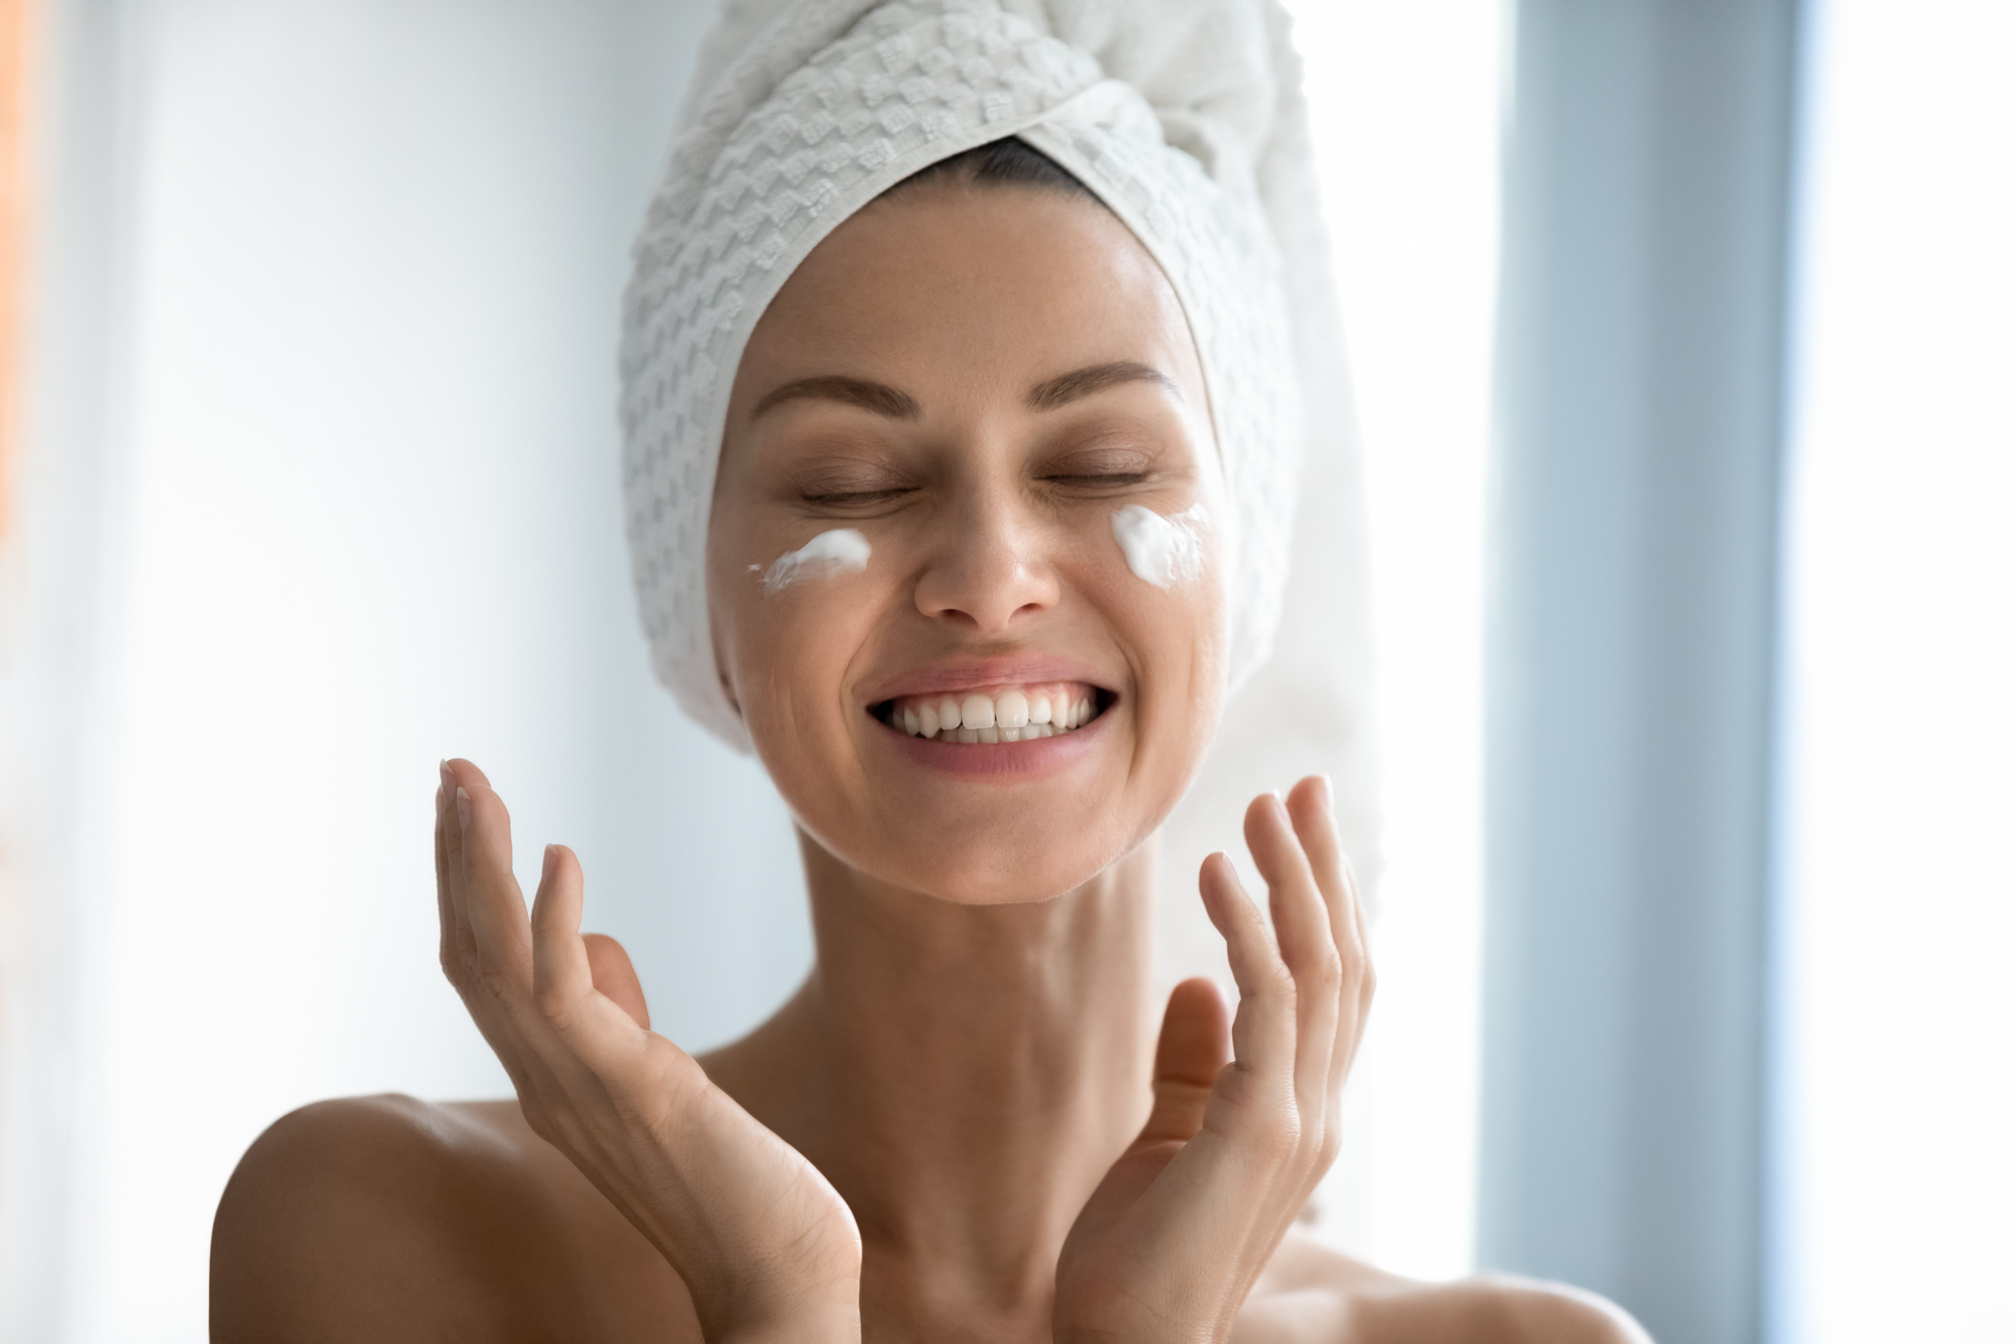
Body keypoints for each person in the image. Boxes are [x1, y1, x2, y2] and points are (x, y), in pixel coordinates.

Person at [212, 3, 1650, 1340]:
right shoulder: (394, 1234)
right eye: (850, 481)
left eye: (1101, 465)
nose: (988, 573)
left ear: (1247, 558)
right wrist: (774, 1294)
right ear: (693, 592)